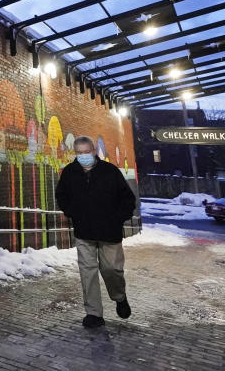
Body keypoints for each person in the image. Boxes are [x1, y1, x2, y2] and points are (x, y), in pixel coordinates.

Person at [55, 135, 136, 328]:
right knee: (87, 272)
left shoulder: (110, 171)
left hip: (110, 232)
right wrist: (72, 212)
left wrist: (117, 218)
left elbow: (128, 199)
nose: (83, 156)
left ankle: (119, 296)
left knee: (112, 269)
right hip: (84, 231)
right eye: (79, 153)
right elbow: (62, 196)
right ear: (75, 153)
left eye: (87, 152)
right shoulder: (70, 172)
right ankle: (94, 314)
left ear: (93, 151)